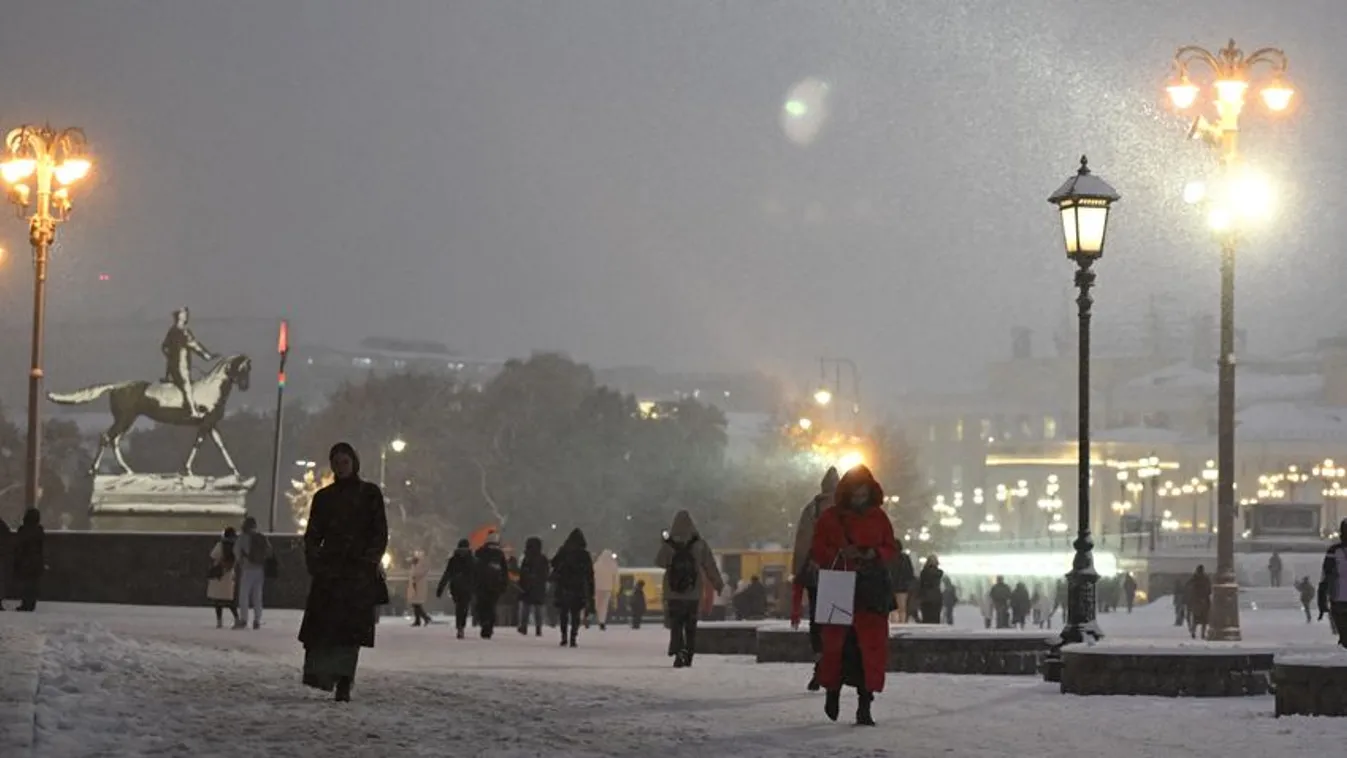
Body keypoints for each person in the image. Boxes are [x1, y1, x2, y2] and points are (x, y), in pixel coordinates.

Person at [298, 442, 389, 702]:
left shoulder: (369, 494)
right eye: (337, 463)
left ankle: (344, 680)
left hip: (355, 574)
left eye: (345, 462)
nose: (341, 467)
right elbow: (313, 535)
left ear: (353, 463)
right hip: (332, 573)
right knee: (328, 629)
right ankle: (327, 676)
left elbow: (379, 532)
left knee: (348, 633)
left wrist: (368, 560)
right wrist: (316, 562)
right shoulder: (325, 498)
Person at [811, 465, 895, 727]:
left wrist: (874, 554)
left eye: (863, 494)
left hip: (870, 590)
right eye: (856, 494)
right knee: (836, 645)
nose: (859, 499)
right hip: (838, 584)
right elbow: (818, 548)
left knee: (868, 649)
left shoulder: (879, 518)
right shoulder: (830, 518)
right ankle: (832, 691)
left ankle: (864, 705)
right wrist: (841, 554)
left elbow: (890, 547)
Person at [790, 466, 838, 690]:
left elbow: (802, 541)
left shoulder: (811, 509)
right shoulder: (846, 508)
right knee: (838, 621)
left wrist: (798, 569)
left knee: (818, 621)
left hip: (816, 572)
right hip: (841, 573)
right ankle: (835, 665)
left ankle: (820, 664)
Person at [656, 510, 724, 669]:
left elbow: (659, 562)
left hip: (673, 593)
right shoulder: (699, 544)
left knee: (676, 625)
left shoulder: (669, 545)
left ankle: (678, 651)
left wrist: (665, 546)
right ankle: (689, 653)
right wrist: (718, 584)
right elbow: (710, 566)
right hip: (693, 593)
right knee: (691, 626)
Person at [160, 307, 215, 418]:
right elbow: (194, 345)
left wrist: (170, 356)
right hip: (181, 365)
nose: (187, 316)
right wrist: (207, 356)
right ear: (180, 317)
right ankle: (192, 411)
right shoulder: (183, 331)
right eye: (184, 314)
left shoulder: (172, 330)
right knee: (187, 385)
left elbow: (164, 347)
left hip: (175, 365)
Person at [550, 528, 595, 647]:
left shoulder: (563, 551)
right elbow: (589, 574)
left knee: (563, 613)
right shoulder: (584, 554)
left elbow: (553, 563)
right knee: (575, 614)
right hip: (578, 587)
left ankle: (564, 636)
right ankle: (573, 637)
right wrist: (590, 592)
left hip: (563, 586)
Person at [234, 516, 270, 629]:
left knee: (244, 595)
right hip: (260, 569)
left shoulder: (243, 538)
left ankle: (244, 619)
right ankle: (257, 620)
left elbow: (236, 551)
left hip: (247, 569)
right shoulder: (261, 537)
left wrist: (240, 562)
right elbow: (269, 551)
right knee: (257, 596)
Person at [436, 539, 476, 639]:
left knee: (459, 607)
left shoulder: (453, 560)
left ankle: (459, 627)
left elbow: (447, 574)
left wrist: (440, 588)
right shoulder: (472, 559)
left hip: (456, 587)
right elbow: (476, 575)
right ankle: (462, 625)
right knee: (465, 607)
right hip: (468, 587)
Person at [474, 533, 510, 639]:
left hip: (481, 584)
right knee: (491, 606)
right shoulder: (499, 554)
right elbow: (504, 571)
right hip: (495, 585)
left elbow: (475, 568)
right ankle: (489, 624)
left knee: (481, 605)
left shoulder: (479, 552)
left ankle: (484, 622)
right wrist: (504, 584)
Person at [1319, 518, 1347, 648]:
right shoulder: (1334, 552)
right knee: (1344, 635)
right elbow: (1325, 577)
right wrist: (1322, 599)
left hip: (1338, 600)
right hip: (1339, 600)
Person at [12, 509, 45, 612]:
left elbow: (18, 545)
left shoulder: (23, 530)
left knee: (26, 584)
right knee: (33, 584)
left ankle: (26, 603)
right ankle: (31, 603)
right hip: (36, 561)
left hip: (25, 561)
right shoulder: (39, 530)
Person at [516, 536, 549, 636]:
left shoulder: (526, 558)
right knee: (538, 608)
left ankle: (524, 626)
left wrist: (522, 583)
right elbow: (546, 572)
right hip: (539, 586)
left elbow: (522, 572)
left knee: (525, 608)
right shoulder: (543, 558)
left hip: (527, 586)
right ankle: (538, 628)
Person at [206, 527, 239, 628]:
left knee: (217, 599)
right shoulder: (236, 546)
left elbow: (213, 556)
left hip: (219, 573)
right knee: (229, 599)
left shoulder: (220, 545)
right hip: (229, 573)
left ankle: (219, 621)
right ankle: (237, 618)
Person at [889, 541, 916, 624]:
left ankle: (893, 622)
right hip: (902, 587)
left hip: (890, 586)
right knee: (902, 608)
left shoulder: (888, 558)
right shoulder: (905, 558)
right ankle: (902, 622)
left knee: (892, 607)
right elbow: (910, 572)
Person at [593, 549, 619, 630]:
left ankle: (593, 618)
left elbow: (591, 576)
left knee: (596, 604)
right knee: (604, 606)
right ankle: (602, 621)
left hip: (597, 588)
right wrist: (615, 588)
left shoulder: (596, 565)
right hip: (607, 588)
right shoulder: (613, 565)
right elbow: (616, 578)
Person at [406, 551, 433, 627]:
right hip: (415, 585)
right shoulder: (415, 565)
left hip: (418, 585)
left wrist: (415, 578)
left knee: (416, 604)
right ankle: (419, 619)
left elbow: (418, 574)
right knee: (415, 603)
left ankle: (424, 618)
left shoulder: (421, 566)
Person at [1187, 564, 1213, 640]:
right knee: (1204, 620)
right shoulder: (1206, 578)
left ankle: (1193, 632)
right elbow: (1209, 589)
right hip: (1204, 601)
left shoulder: (1194, 578)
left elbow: (1190, 588)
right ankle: (1202, 634)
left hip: (1197, 602)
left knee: (1196, 619)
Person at [917, 556, 944, 624]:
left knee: (926, 617)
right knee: (936, 616)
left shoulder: (923, 572)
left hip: (925, 597)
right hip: (936, 597)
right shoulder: (939, 572)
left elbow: (921, 584)